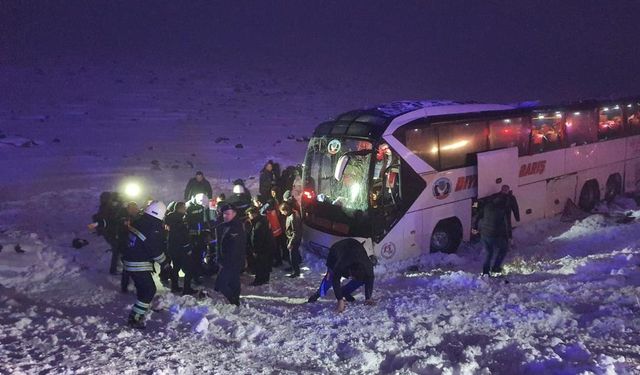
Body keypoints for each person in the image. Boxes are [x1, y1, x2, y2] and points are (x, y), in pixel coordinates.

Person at [121, 201, 170, 329]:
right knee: (149, 290)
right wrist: (165, 263)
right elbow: (155, 250)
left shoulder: (140, 222)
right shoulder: (152, 228)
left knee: (143, 289)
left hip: (130, 261)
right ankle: (135, 317)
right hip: (138, 264)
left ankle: (141, 309)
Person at [329, 239, 376, 313]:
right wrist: (340, 300)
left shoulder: (368, 266)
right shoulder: (342, 264)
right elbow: (335, 278)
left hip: (354, 247)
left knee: (363, 279)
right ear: (350, 272)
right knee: (330, 275)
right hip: (336, 251)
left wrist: (368, 298)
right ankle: (317, 294)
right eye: (352, 277)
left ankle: (344, 291)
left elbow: (370, 277)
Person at [214, 204, 246, 306]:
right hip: (226, 261)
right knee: (234, 281)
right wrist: (218, 258)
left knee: (222, 284)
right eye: (224, 214)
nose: (225, 216)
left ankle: (233, 299)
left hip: (233, 261)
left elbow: (239, 246)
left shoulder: (237, 227)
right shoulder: (221, 226)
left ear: (234, 214)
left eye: (228, 214)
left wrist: (241, 259)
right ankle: (235, 300)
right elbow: (219, 245)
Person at [472, 192, 510, 276]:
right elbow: (505, 226)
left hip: (484, 234)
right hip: (494, 235)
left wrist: (474, 228)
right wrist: (507, 238)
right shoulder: (501, 211)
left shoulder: (487, 206)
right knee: (503, 249)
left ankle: (485, 272)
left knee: (489, 253)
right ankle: (496, 268)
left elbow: (478, 216)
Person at [165, 202, 197, 294]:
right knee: (189, 268)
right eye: (184, 208)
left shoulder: (170, 218)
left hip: (173, 247)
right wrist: (188, 247)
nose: (186, 209)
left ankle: (174, 287)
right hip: (181, 249)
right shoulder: (180, 219)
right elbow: (182, 235)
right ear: (180, 208)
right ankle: (187, 289)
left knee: (176, 268)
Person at [186, 193, 212, 284]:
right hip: (193, 239)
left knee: (200, 256)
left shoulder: (201, 208)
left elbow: (204, 222)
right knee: (195, 258)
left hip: (200, 237)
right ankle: (195, 276)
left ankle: (199, 272)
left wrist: (207, 232)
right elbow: (190, 224)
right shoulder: (190, 208)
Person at [246, 207, 274, 286]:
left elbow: (256, 239)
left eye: (249, 214)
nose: (249, 216)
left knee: (259, 265)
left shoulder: (258, 225)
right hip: (267, 247)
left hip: (261, 249)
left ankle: (259, 280)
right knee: (265, 264)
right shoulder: (263, 220)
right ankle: (265, 278)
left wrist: (255, 250)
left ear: (254, 214)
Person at [280, 202, 302, 278]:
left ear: (285, 210)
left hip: (294, 239)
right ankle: (293, 267)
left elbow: (295, 232)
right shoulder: (292, 214)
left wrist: (290, 243)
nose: (282, 213)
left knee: (293, 256)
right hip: (292, 238)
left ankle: (296, 271)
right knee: (293, 254)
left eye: (282, 211)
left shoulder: (293, 218)